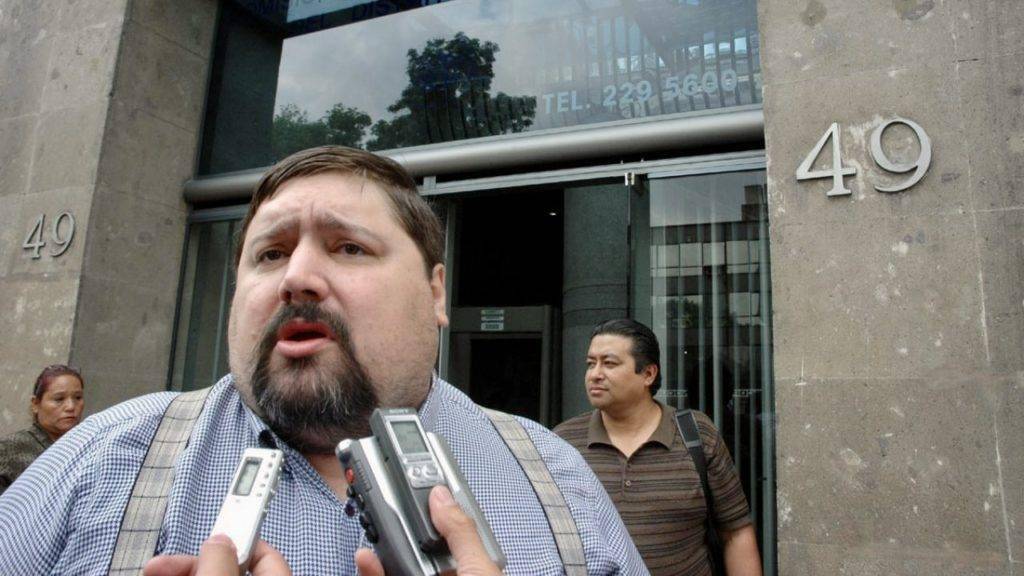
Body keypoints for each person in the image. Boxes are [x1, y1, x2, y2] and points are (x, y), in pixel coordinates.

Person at [0, 146, 647, 576]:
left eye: (348, 248)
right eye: (270, 254)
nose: (298, 277)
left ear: (435, 293)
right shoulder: (98, 463)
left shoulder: (556, 481)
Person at [554, 319, 761, 576]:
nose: (594, 374)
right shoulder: (562, 442)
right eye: (590, 363)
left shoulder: (695, 434)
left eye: (609, 363)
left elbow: (736, 533)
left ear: (648, 374)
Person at [0, 364, 85, 494]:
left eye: (78, 398)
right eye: (59, 399)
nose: (71, 406)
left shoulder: (89, 446)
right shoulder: (10, 448)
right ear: (35, 404)